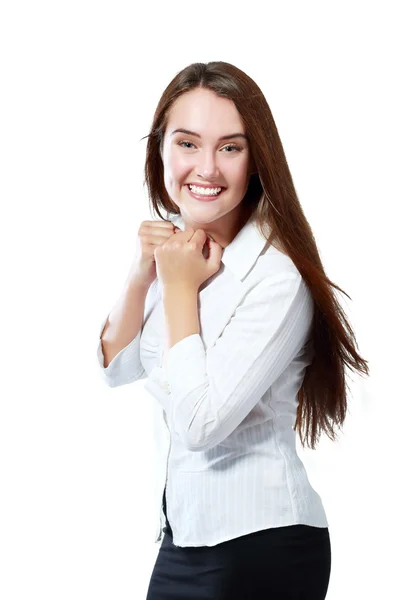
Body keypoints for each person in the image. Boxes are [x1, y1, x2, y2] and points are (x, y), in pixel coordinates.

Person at [97, 61, 369, 599]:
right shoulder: (179, 250)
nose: (207, 168)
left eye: (230, 148)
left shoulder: (275, 277)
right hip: (184, 538)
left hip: (259, 546)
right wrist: (140, 273)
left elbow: (201, 425)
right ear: (161, 150)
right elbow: (116, 367)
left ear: (256, 160)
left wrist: (177, 289)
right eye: (188, 144)